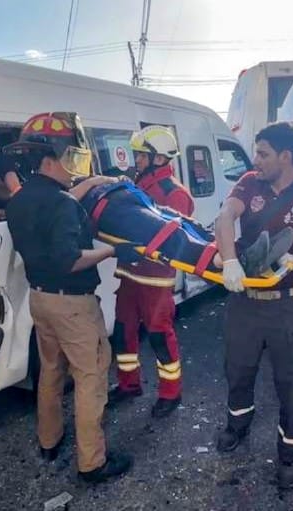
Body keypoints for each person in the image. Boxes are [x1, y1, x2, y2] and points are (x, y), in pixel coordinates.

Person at [6, 112, 139, 483]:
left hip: (41, 300)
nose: (74, 168)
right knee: (91, 377)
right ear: (50, 160)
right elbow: (71, 259)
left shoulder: (20, 200)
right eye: (71, 159)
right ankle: (92, 463)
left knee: (50, 372)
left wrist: (97, 180)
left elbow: (63, 199)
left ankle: (50, 441)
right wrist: (114, 252)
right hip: (73, 306)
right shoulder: (61, 205)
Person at [213, 121, 293, 489]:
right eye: (256, 152)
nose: (256, 160)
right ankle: (237, 425)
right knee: (237, 370)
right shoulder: (250, 183)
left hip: (291, 305)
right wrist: (231, 259)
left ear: (286, 157)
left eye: (263, 153)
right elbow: (225, 216)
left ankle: (289, 454)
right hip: (246, 300)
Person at [107, 125, 194, 419]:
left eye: (141, 155)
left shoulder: (176, 194)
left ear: (159, 158)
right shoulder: (136, 185)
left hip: (155, 279)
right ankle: (128, 384)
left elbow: (175, 238)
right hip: (129, 274)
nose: (137, 160)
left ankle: (171, 392)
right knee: (122, 332)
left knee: (159, 336)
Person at [79, 178, 293, 283]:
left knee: (185, 223)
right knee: (166, 231)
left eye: (142, 155)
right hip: (105, 207)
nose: (138, 160)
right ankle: (227, 262)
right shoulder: (55, 191)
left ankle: (240, 254)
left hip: (119, 194)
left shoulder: (164, 184)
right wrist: (94, 180)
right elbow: (69, 196)